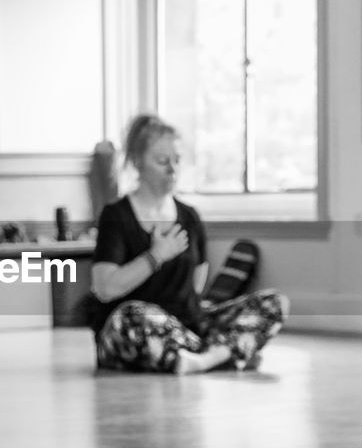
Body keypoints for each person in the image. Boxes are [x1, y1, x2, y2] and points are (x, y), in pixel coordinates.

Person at [89, 114, 287, 374]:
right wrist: (155, 257)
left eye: (177, 160)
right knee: (132, 315)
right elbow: (105, 288)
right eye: (162, 161)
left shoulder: (190, 217)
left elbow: (196, 283)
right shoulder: (116, 216)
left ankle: (202, 359)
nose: (172, 169)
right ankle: (224, 354)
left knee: (274, 303)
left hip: (187, 328)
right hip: (133, 332)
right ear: (137, 162)